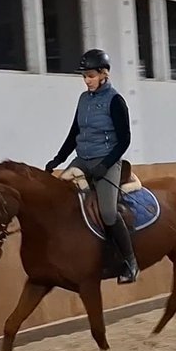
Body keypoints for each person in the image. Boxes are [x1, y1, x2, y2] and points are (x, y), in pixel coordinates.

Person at [44, 48, 139, 284]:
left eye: (91, 76)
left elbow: (125, 139)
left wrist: (105, 165)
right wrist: (58, 159)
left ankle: (130, 262)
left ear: (104, 74)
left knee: (107, 212)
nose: (87, 81)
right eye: (85, 76)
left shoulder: (115, 100)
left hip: (107, 160)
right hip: (82, 159)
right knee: (57, 199)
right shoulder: (84, 99)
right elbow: (74, 132)